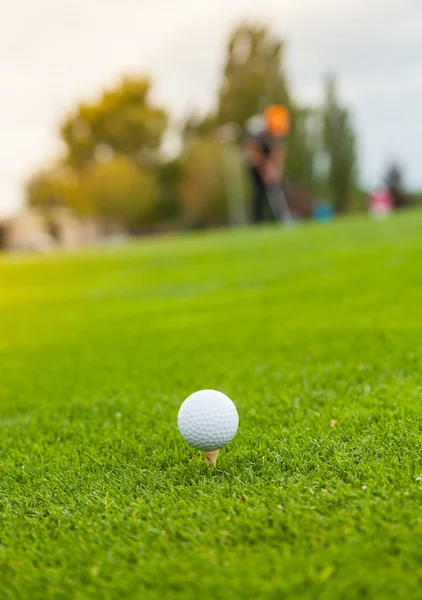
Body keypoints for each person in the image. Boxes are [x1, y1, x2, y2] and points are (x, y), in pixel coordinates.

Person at [244, 105, 290, 223]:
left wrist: (276, 170)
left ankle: (282, 217)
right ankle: (257, 222)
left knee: (277, 187)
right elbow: (253, 152)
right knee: (259, 192)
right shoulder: (257, 130)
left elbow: (278, 152)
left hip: (268, 163)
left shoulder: (277, 133)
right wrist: (265, 168)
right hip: (255, 164)